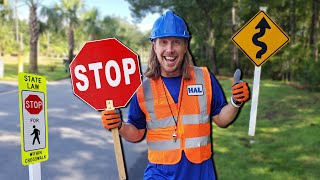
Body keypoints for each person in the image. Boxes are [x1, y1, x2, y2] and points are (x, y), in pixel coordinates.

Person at [101, 10, 249, 180]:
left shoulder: (204, 78)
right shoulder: (142, 87)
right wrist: (119, 125)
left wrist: (236, 102)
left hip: (201, 173)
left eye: (176, 42)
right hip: (160, 174)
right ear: (154, 46)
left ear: (185, 46)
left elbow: (221, 119)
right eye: (163, 42)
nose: (169, 49)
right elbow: (136, 132)